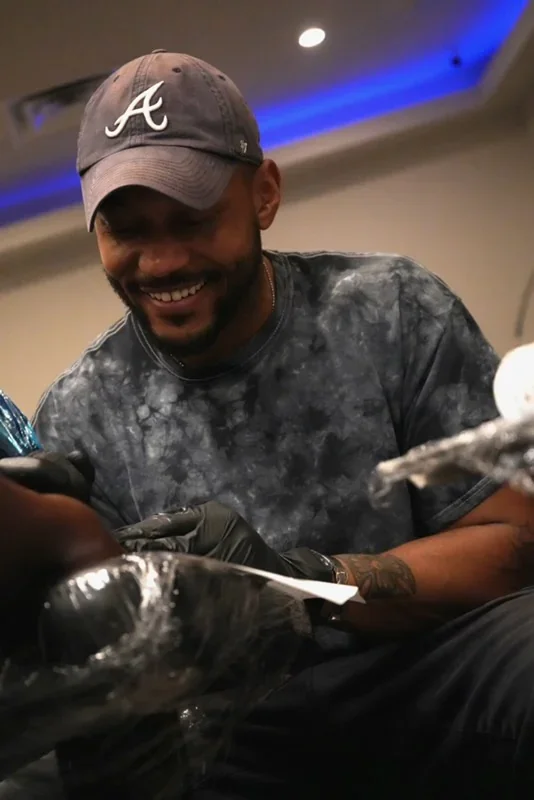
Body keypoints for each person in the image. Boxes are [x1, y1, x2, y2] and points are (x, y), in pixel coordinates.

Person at [27, 48, 534, 797]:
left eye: (192, 218)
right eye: (127, 229)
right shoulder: (78, 412)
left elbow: (516, 545)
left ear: (263, 193)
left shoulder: (392, 310)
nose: (161, 261)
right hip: (232, 733)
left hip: (427, 673)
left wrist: (303, 586)